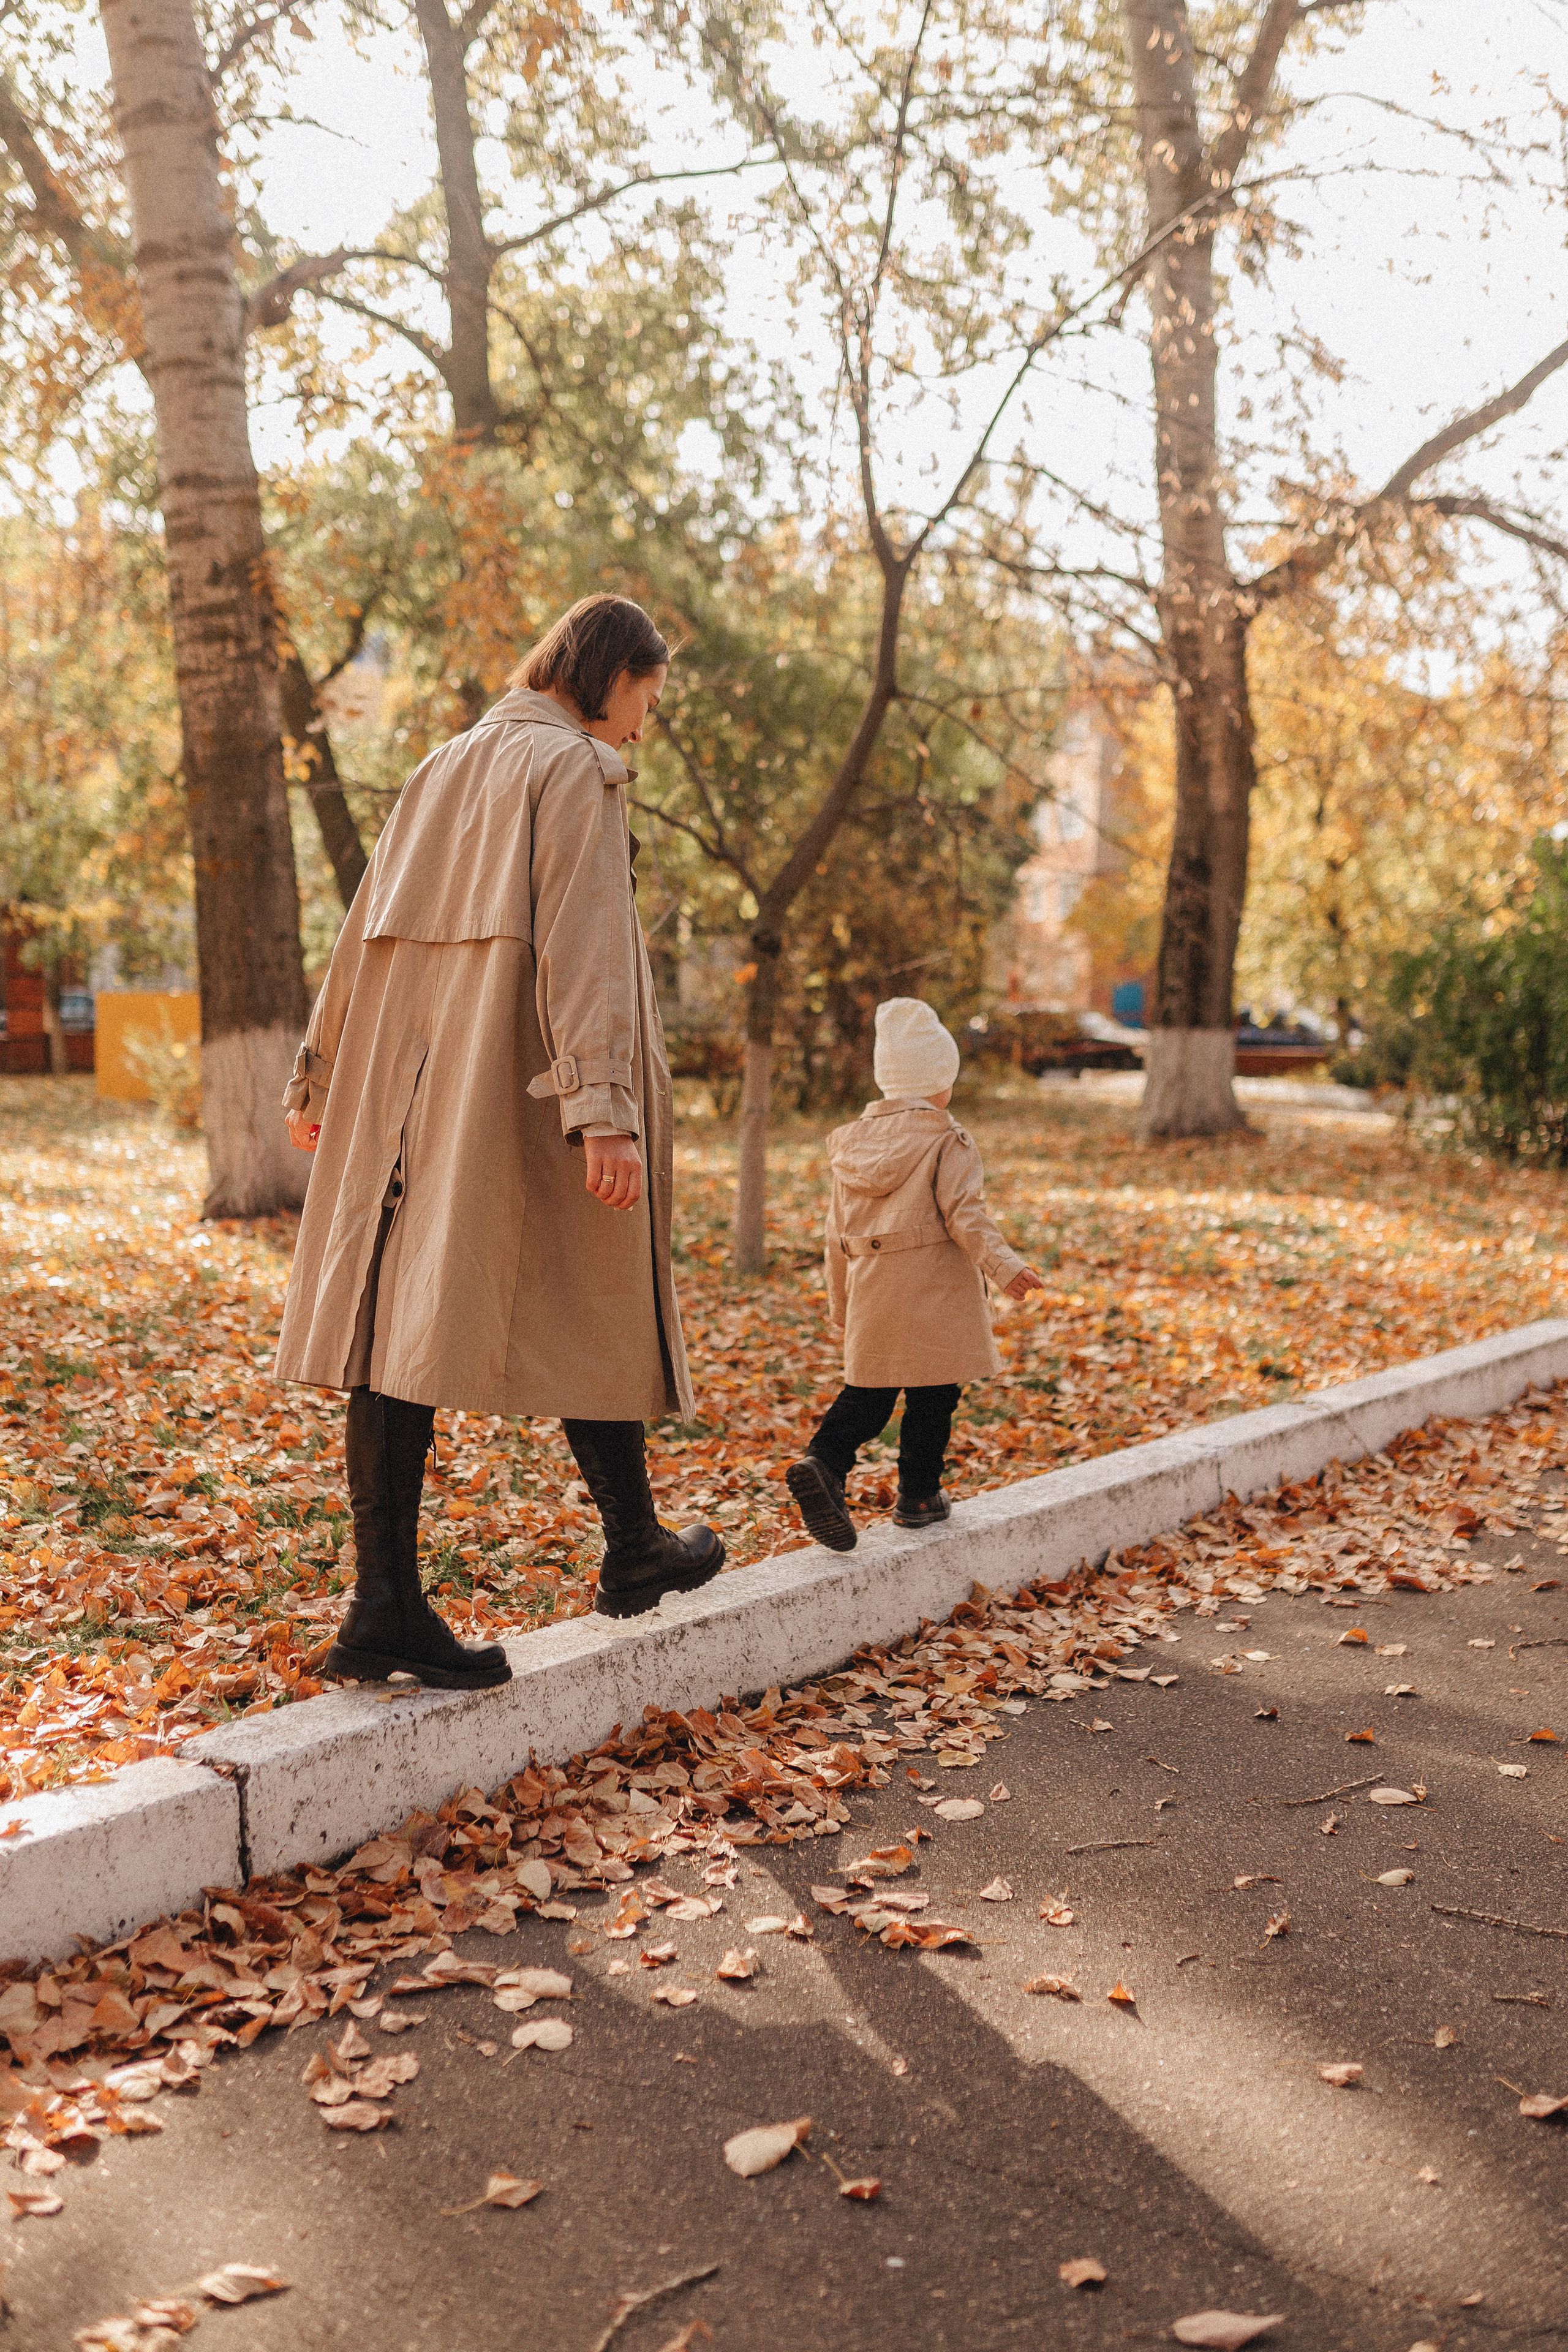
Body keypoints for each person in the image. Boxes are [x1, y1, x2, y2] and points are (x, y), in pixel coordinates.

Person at [274, 594, 723, 1687]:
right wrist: (603, 1109)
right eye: (644, 703)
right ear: (608, 673)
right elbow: (585, 950)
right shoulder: (573, 769)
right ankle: (622, 1552)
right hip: (516, 1082)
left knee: (394, 1312)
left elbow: (357, 933)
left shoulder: (439, 766)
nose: (640, 730)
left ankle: (412, 1597)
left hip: (405, 1081)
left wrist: (320, 1070)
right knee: (589, 1278)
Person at [786, 997, 1046, 1553]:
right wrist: (1007, 1268)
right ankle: (919, 1496)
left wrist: (842, 1306)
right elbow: (965, 1215)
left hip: (873, 1290)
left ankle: (824, 1462)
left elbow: (834, 1235)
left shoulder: (850, 1147)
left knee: (868, 1394)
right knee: (934, 1394)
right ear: (939, 1082)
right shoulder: (947, 1139)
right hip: (933, 1293)